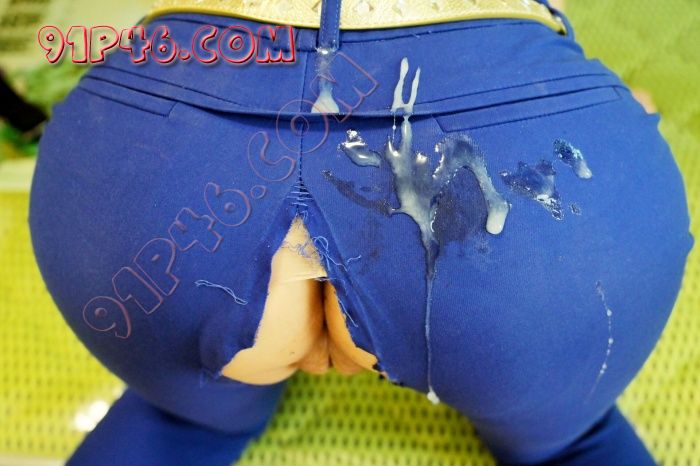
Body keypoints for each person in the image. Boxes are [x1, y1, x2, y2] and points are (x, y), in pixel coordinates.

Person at [29, 1, 693, 464]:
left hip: (146, 166)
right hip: (522, 194)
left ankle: (189, 413)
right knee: (573, 443)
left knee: (175, 419)